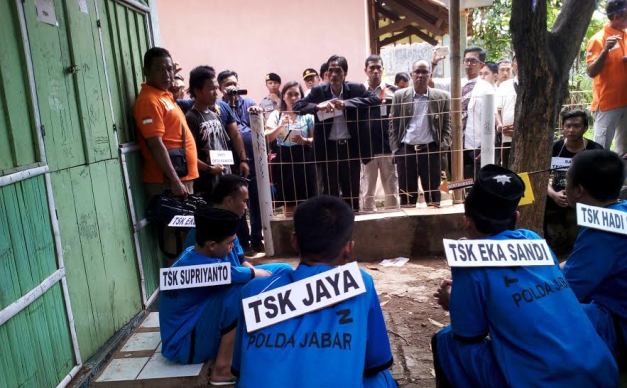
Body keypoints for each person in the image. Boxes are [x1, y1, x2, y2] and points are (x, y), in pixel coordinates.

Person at [432, 164, 618, 388]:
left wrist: (454, 300)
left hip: (544, 383)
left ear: (467, 220)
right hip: (602, 372)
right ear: (516, 216)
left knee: (447, 341)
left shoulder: (466, 259)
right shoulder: (533, 238)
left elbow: (468, 334)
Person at [232, 196, 397, 388]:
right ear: (348, 248)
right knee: (380, 379)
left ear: (294, 241)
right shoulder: (361, 283)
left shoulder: (252, 291)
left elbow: (239, 368)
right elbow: (376, 362)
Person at [159, 208, 247, 384]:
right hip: (182, 346)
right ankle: (222, 369)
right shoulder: (193, 266)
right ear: (212, 245)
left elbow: (238, 271)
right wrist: (257, 274)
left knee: (275, 271)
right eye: (230, 243)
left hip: (194, 326)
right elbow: (241, 275)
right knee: (239, 293)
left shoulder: (200, 251)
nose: (232, 247)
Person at [293, 55, 381, 211]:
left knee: (351, 190)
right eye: (330, 71)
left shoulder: (356, 89)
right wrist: (317, 107)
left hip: (350, 147)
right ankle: (333, 226)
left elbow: (375, 100)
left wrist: (347, 103)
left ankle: (352, 222)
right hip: (328, 148)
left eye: (338, 71)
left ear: (344, 74)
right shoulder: (318, 91)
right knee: (330, 191)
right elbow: (298, 106)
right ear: (326, 74)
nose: (333, 75)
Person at [562, 149, 626, 358]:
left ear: (579, 190)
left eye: (567, 178)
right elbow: (576, 264)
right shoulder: (621, 211)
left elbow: (566, 290)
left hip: (617, 321)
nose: (564, 185)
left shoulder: (602, 231)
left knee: (537, 310)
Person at [183, 174, 292, 278]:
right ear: (229, 201)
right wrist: (252, 274)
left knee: (284, 269)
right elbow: (213, 274)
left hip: (238, 274)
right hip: (224, 286)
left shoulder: (230, 222)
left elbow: (241, 260)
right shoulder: (204, 228)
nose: (246, 207)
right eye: (244, 201)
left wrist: (255, 272)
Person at [134, 47, 198, 199]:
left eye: (170, 69)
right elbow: (155, 144)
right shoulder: (149, 101)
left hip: (181, 177)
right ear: (146, 71)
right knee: (175, 223)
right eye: (159, 69)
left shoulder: (164, 95)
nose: (167, 75)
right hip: (168, 183)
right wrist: (175, 181)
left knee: (188, 222)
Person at [390, 60, 451, 207]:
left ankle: (435, 226)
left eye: (424, 72)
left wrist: (442, 146)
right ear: (411, 74)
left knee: (433, 195)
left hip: (431, 150)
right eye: (417, 71)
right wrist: (396, 150)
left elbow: (448, 125)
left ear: (430, 74)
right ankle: (408, 226)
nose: (420, 75)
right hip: (406, 151)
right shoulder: (399, 96)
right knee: (407, 195)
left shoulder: (442, 97)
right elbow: (393, 125)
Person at [218, 70, 264, 254]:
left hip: (251, 157)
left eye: (235, 83)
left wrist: (258, 113)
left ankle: (257, 239)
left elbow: (259, 123)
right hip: (231, 160)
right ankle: (243, 241)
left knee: (255, 198)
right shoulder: (218, 106)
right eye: (228, 84)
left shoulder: (250, 103)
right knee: (237, 200)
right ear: (221, 87)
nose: (232, 87)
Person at [545, 110, 603, 256]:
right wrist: (553, 194)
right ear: (562, 127)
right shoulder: (554, 148)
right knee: (554, 241)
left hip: (584, 202)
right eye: (568, 126)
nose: (571, 130)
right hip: (557, 199)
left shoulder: (595, 151)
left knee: (579, 242)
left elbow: (602, 180)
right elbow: (541, 178)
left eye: (576, 126)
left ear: (585, 128)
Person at [432, 47, 495, 179]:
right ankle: (460, 199)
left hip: (476, 145)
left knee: (478, 182)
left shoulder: (486, 88)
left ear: (481, 65)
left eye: (473, 61)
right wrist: (434, 63)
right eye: (466, 61)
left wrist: (487, 146)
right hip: (455, 143)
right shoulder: (455, 83)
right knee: (457, 182)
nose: (468, 64)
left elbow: (489, 120)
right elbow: (429, 83)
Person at [186, 66, 249, 195]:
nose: (216, 93)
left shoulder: (214, 114)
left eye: (216, 88)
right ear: (197, 91)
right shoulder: (191, 118)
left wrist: (243, 160)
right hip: (206, 185)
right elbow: (188, 154)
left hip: (224, 180)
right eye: (211, 89)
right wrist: (209, 169)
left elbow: (228, 141)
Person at [265, 81, 318, 215]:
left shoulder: (307, 116)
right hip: (284, 160)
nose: (293, 98)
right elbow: (267, 137)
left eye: (296, 94)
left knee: (308, 200)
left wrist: (305, 140)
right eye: (289, 94)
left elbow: (315, 139)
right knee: (288, 201)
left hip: (304, 159)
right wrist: (281, 126)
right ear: (283, 96)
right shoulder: (276, 115)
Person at [586, 0, 627, 156]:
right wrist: (605, 51)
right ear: (618, 16)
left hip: (625, 102)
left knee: (624, 150)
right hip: (607, 104)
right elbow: (591, 71)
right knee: (601, 149)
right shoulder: (598, 39)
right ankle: (598, 180)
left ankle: (621, 180)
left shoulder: (625, 35)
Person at [360, 54, 400, 212]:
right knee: (367, 191)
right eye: (372, 68)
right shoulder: (358, 91)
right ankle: (367, 220)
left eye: (378, 68)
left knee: (392, 189)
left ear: (383, 70)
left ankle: (395, 219)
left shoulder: (393, 91)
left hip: (388, 148)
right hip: (367, 149)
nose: (375, 71)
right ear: (366, 70)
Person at [495, 56, 518, 167]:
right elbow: (497, 110)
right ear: (513, 65)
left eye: (507, 70)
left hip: (526, 137)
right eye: (517, 62)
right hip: (507, 135)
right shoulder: (504, 86)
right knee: (507, 169)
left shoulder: (533, 86)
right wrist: (500, 125)